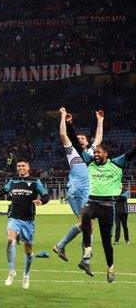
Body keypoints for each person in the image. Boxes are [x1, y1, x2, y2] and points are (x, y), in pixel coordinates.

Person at [72, 139, 136, 282]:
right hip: (93, 201)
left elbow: (131, 153)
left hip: (108, 206)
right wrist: (69, 125)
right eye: (94, 152)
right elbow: (77, 145)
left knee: (107, 242)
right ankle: (87, 249)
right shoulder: (90, 163)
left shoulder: (116, 163)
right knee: (86, 214)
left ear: (105, 154)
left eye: (98, 152)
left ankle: (111, 267)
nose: (95, 154)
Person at [0, 160, 49, 289]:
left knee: (28, 251)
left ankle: (26, 274)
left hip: (28, 221)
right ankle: (11, 271)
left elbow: (46, 195)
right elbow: (2, 191)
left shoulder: (35, 181)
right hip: (14, 218)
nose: (20, 168)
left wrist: (41, 201)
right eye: (18, 166)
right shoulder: (13, 181)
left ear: (28, 167)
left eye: (23, 166)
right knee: (10, 240)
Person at [53, 108, 103, 263]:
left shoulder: (89, 154)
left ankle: (78, 256)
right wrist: (62, 117)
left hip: (86, 192)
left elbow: (99, 139)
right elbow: (63, 134)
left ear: (87, 142)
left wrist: (100, 121)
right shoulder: (72, 152)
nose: (80, 139)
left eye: (82, 138)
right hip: (76, 191)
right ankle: (82, 258)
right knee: (87, 223)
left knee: (88, 224)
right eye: (78, 138)